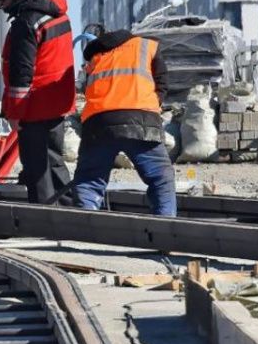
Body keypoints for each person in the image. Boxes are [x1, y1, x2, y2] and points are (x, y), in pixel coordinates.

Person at [68, 27, 177, 216]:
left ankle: (85, 225)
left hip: (98, 122)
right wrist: (149, 104)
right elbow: (162, 82)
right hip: (140, 120)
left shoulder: (97, 57)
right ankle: (166, 228)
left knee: (89, 179)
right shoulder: (147, 46)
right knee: (161, 178)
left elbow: (88, 89)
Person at [0, 0, 76, 205]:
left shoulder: (26, 22)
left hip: (35, 105)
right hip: (58, 100)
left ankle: (45, 217)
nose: (3, 9)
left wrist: (15, 114)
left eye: (1, 4)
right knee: (54, 160)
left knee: (36, 166)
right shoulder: (57, 12)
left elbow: (21, 73)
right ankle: (70, 211)